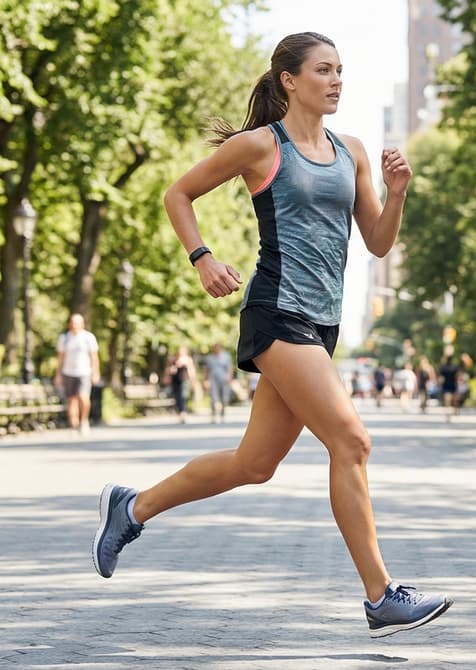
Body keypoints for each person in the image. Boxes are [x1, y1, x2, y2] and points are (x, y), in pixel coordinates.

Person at [90, 32, 450, 637]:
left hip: (322, 323)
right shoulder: (261, 146)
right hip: (277, 313)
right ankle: (381, 595)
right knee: (352, 441)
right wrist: (202, 257)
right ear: (289, 79)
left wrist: (398, 194)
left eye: (341, 71)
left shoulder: (351, 150)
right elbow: (177, 193)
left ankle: (133, 507)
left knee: (255, 464)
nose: (336, 81)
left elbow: (380, 243)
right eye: (323, 70)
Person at [54, 313, 100, 435]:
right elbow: (60, 358)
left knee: (83, 397)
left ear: (82, 324)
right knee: (71, 400)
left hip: (84, 372)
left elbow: (94, 357)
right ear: (69, 324)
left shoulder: (88, 337)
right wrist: (58, 374)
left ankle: (84, 421)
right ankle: (74, 425)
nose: (74, 325)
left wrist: (95, 373)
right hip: (68, 372)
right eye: (73, 322)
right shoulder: (64, 338)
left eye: (77, 323)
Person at [203, 343, 234, 423]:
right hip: (213, 380)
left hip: (224, 380)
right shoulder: (210, 358)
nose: (217, 349)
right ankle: (213, 415)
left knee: (224, 398)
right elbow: (206, 370)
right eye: (215, 348)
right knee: (213, 398)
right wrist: (206, 380)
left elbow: (230, 368)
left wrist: (229, 378)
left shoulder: (226, 357)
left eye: (218, 348)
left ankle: (222, 415)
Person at [165, 346, 197, 424]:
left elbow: (191, 370)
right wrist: (169, 373)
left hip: (184, 381)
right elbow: (168, 369)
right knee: (176, 397)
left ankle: (183, 414)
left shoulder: (188, 360)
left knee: (183, 397)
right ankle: (180, 413)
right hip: (175, 381)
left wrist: (193, 381)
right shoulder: (173, 359)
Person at [438, 355, 459, 422]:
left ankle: (448, 413)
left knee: (448, 401)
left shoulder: (443, 367)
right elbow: (457, 377)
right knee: (453, 400)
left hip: (446, 385)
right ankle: (454, 411)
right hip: (453, 385)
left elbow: (441, 378)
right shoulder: (454, 367)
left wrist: (439, 384)